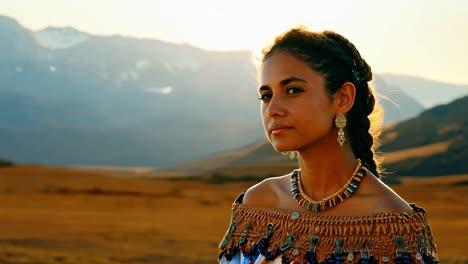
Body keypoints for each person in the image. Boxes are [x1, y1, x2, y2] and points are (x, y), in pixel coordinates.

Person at [218, 27, 438, 264]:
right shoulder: (257, 206)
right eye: (266, 95)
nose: (272, 110)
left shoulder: (393, 227)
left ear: (343, 98)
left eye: (293, 90)